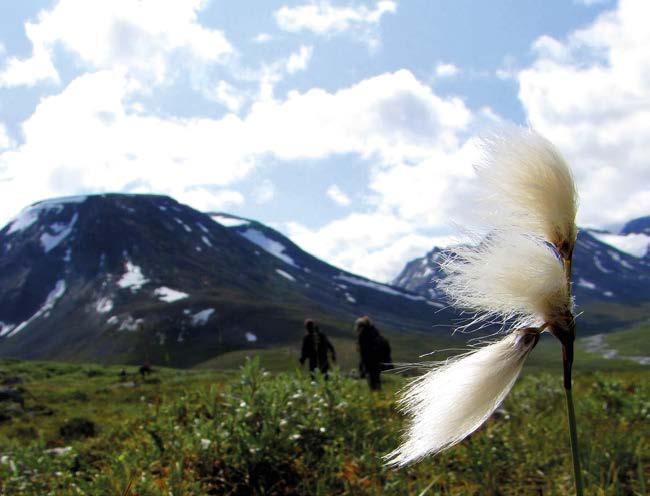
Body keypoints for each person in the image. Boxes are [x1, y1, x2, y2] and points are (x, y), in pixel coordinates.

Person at [356, 316, 393, 390]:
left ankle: (375, 395)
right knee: (376, 378)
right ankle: (378, 395)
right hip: (379, 360)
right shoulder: (375, 332)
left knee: (372, 379)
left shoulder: (363, 335)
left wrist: (362, 366)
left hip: (370, 361)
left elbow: (364, 352)